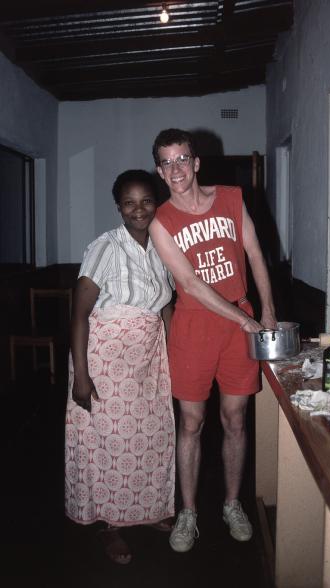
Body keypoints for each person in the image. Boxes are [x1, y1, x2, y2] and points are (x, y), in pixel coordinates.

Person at [149, 128, 277, 553]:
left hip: (242, 321)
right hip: (194, 326)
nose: (176, 169)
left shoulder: (232, 198)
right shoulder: (161, 223)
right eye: (166, 162)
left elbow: (256, 255)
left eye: (182, 158)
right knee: (191, 422)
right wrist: (244, 320)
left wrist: (268, 311)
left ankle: (231, 503)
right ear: (159, 171)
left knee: (235, 420)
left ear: (196, 162)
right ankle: (187, 511)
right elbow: (189, 284)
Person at [65, 169, 176, 564]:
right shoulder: (105, 247)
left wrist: (175, 360)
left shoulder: (163, 246)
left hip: (148, 360)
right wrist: (82, 375)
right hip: (105, 360)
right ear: (118, 207)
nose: (138, 209)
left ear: (156, 203)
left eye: (146, 200)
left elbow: (165, 305)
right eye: (129, 202)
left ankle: (143, 510)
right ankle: (110, 524)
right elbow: (79, 314)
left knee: (149, 436)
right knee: (109, 441)